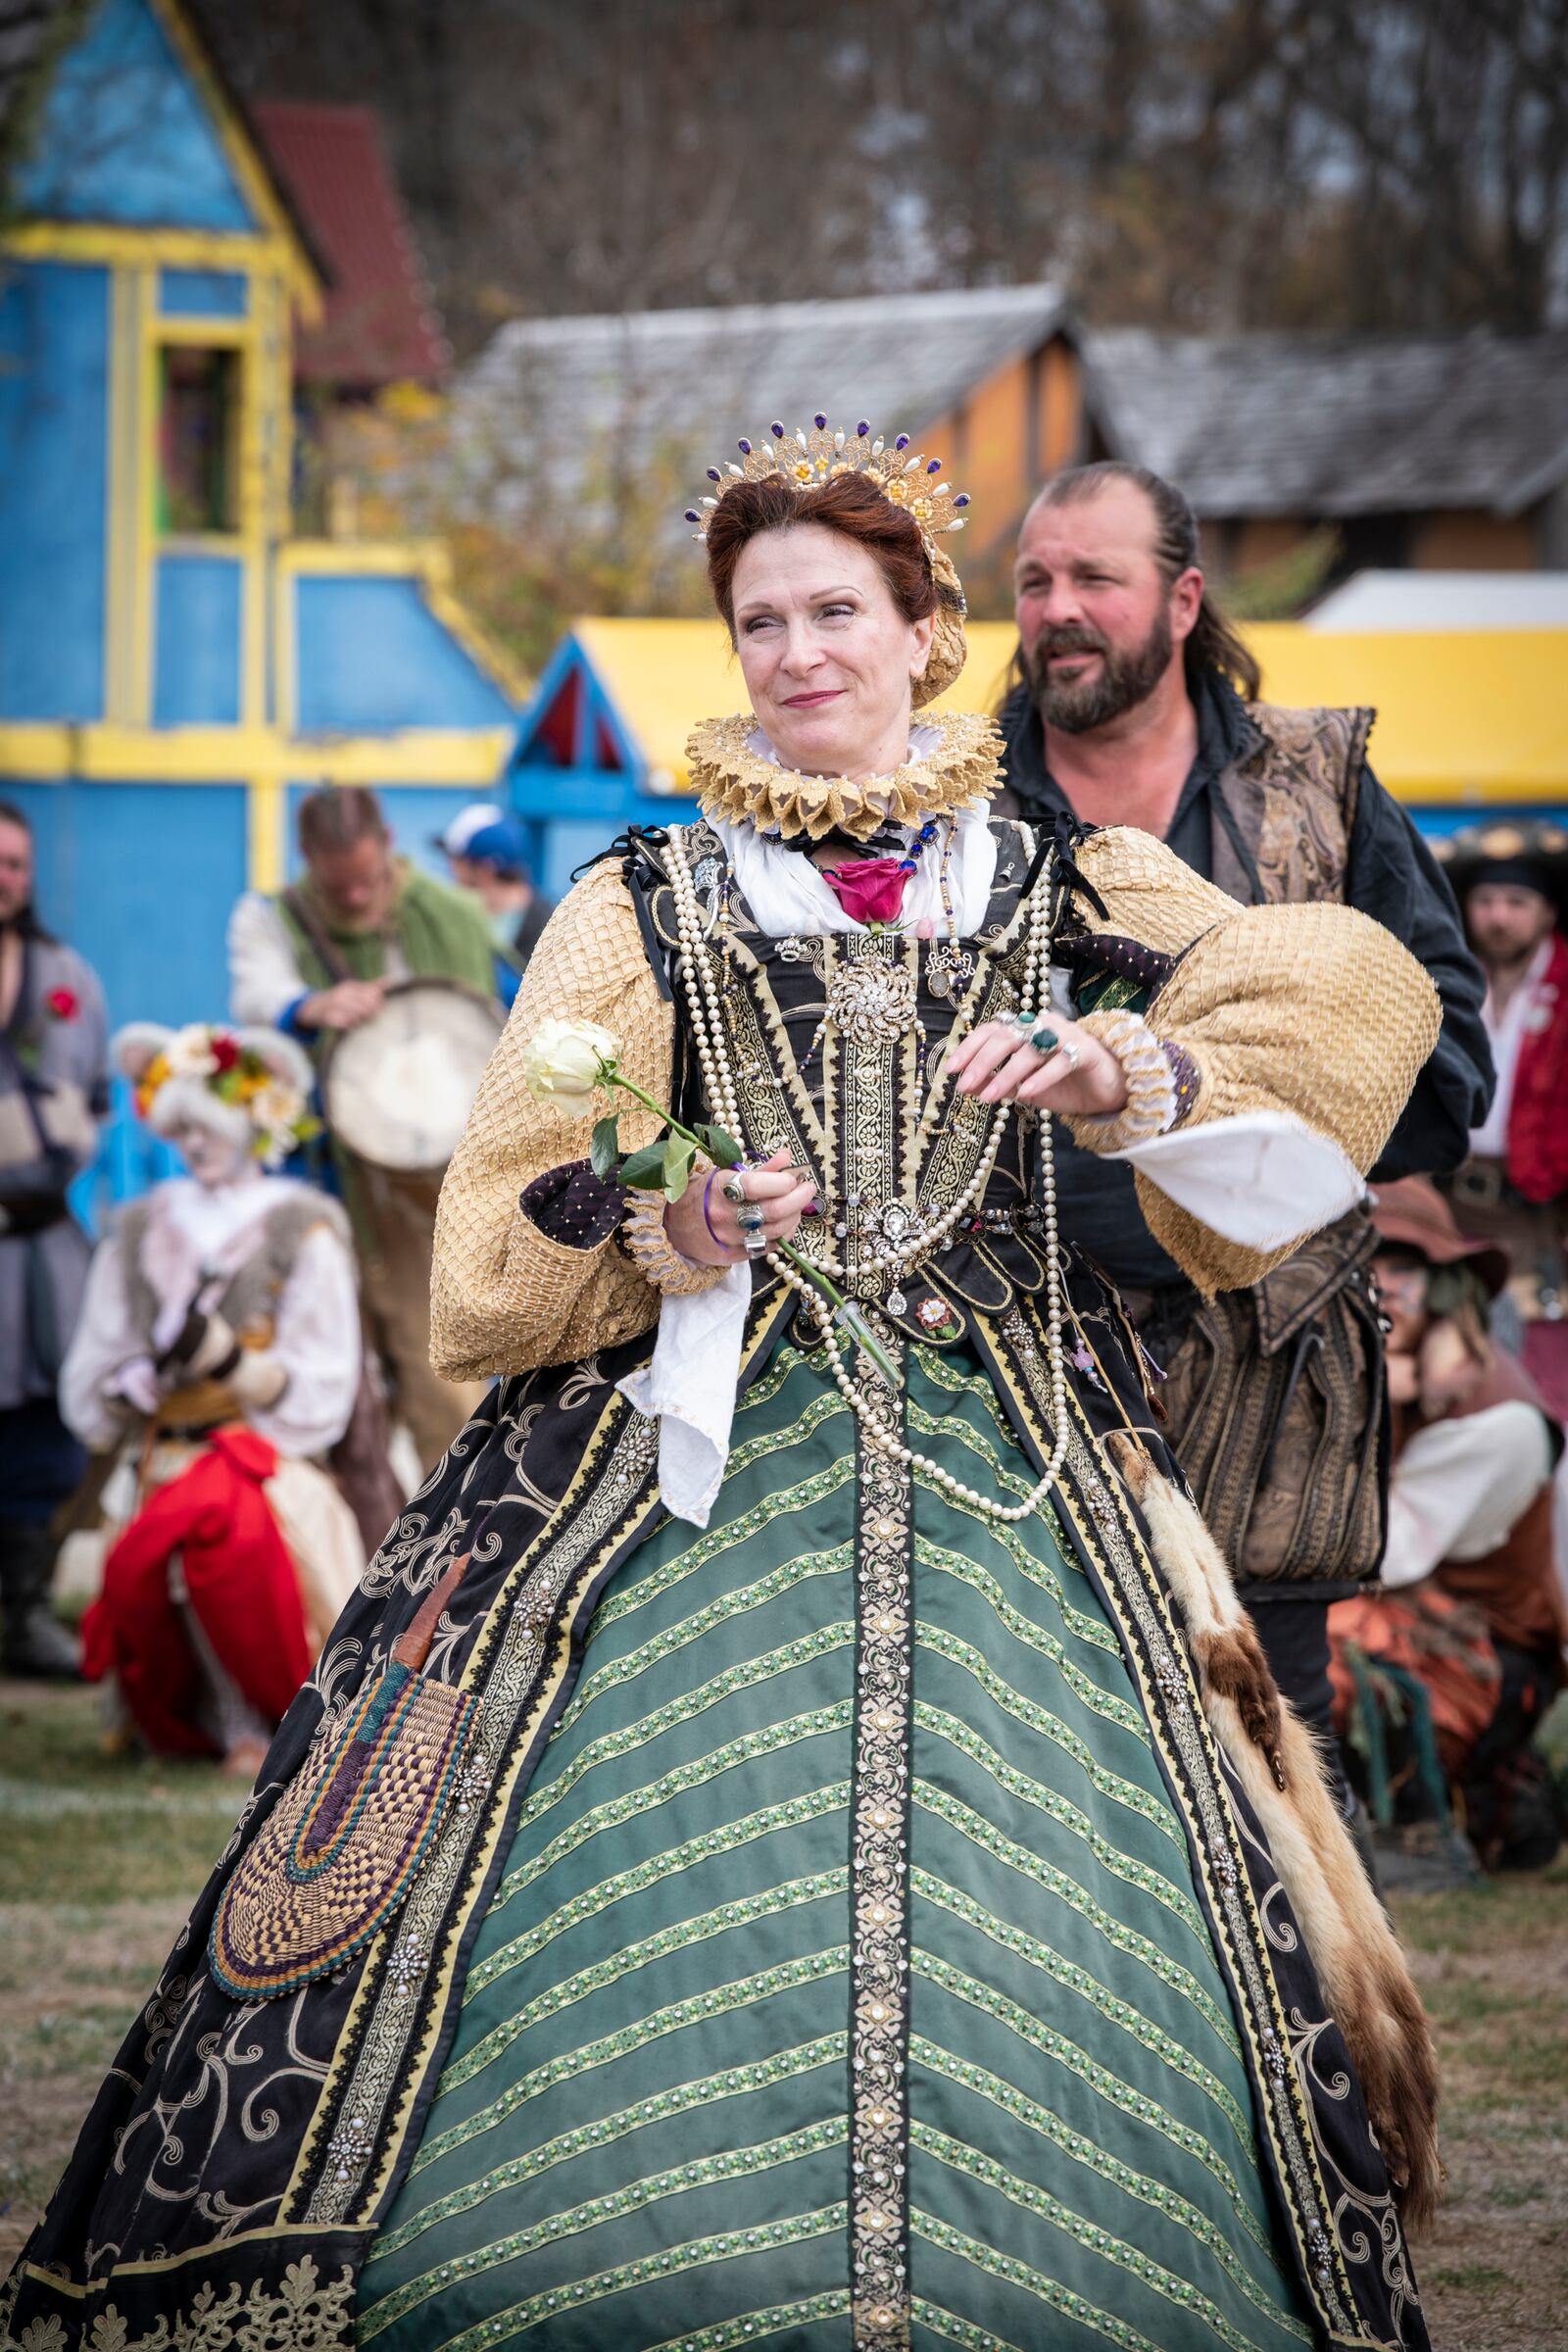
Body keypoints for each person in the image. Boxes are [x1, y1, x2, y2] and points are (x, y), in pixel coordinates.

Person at [6, 417, 1446, 2352]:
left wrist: (1136, 1078)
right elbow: (508, 1215)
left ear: (926, 630)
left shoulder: (1065, 877)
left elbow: (1352, 997)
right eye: (757, 618)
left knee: (1074, 1902)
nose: (794, 652)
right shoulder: (644, 900)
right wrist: (666, 1228)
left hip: (1014, 1461)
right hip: (680, 1460)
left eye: (835, 609)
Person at [997, 461, 1494, 1813]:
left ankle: (1295, 2035)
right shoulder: (955, 810)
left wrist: (1269, 1107)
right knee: (1026, 1779)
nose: (1058, 611)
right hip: (1008, 1359)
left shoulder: (1320, 792)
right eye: (1036, 581)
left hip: (1271, 1376)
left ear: (1183, 597)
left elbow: (1451, 1069)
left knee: (1263, 1786)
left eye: (1095, 578)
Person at [59, 1023, 366, 1778]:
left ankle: (259, 1720)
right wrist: (127, 1379)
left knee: (233, 1551)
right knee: (148, 1561)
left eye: (210, 1128)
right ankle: (175, 1715)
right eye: (182, 1129)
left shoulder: (302, 1226)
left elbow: (324, 1372)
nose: (194, 1145)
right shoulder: (140, 1226)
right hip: (161, 1453)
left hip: (259, 1458)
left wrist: (230, 1366)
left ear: (254, 1124)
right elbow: (101, 1352)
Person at [227, 785, 495, 1472]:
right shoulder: (271, 919)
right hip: (319, 1180)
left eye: (367, 881)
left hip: (427, 1194)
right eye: (336, 885)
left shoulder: (451, 916)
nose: (353, 899)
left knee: (444, 1381)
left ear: (389, 847)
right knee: (321, 1381)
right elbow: (255, 993)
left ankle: (461, 1551)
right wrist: (311, 1005)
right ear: (308, 859)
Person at [1328, 1176, 1565, 1872]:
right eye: (1360, 1262)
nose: (1376, 1285)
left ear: (1441, 1285)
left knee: (1309, 1633)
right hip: (1407, 1616)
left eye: (1398, 1265)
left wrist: (1361, 1398)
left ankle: (1418, 1833)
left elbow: (1381, 1555)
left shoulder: (1497, 1420)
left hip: (1484, 1656)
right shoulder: (1382, 1374)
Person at [0, 799, 108, 1678]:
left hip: (42, 1243)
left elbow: (96, 1100)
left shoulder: (64, 970)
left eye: (15, 863)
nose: (5, 878)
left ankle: (26, 1613)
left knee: (45, 1426)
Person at [1439, 820, 1568, 1422]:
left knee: (1545, 1382)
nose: (1498, 916)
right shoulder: (1446, 982)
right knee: (1456, 1380)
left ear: (1546, 914)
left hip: (1541, 1217)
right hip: (1449, 1205)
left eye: (1517, 902)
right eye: (1486, 900)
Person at [436, 802, 556, 1004]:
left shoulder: (549, 927)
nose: (452, 871)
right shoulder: (468, 916)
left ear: (486, 869)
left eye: (460, 863)